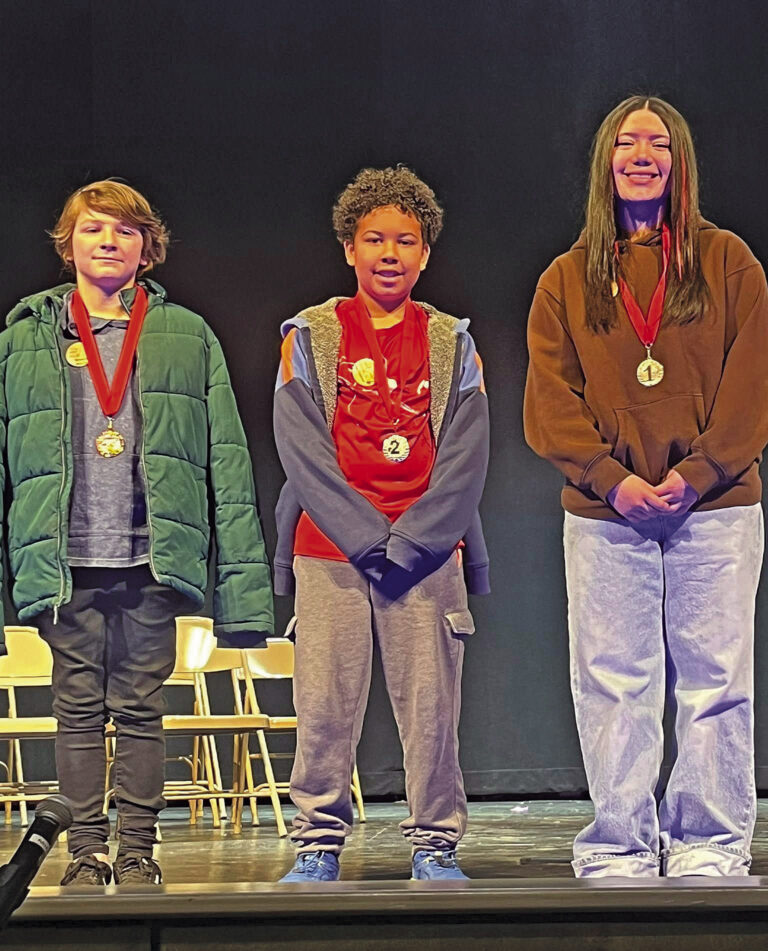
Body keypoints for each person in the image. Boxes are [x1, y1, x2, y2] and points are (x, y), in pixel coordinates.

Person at [1, 180, 273, 886]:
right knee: (75, 711)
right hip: (65, 559)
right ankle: (85, 851)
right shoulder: (23, 337)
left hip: (153, 556)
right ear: (67, 245)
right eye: (93, 228)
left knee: (142, 710)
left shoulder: (187, 335)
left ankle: (138, 852)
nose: (108, 241)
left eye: (125, 230)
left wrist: (244, 593)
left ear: (147, 249)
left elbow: (228, 461)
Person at [524, 96, 768, 877]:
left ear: (679, 161)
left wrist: (697, 475)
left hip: (716, 508)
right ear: (605, 161)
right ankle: (621, 842)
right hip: (607, 514)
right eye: (627, 141)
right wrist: (612, 480)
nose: (642, 154)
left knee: (715, 679)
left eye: (658, 142)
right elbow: (550, 401)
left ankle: (710, 841)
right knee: (612, 681)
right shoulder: (566, 279)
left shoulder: (728, 262)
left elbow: (752, 386)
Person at [273, 166, 489, 882]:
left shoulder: (452, 340)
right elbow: (301, 448)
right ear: (349, 248)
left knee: (432, 709)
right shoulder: (311, 334)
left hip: (427, 554)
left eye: (405, 240)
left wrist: (413, 543)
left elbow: (466, 454)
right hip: (330, 549)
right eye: (374, 239)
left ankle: (435, 843)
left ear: (425, 254)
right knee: (324, 705)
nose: (389, 253)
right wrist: (367, 539)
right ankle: (317, 842)